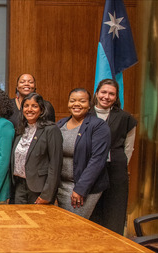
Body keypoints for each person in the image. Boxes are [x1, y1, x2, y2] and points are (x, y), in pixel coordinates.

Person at [89, 79, 137, 234]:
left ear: (116, 98)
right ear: (96, 93)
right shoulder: (85, 114)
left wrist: (119, 165)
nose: (106, 97)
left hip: (115, 173)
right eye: (103, 92)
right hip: (89, 172)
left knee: (114, 214)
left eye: (111, 94)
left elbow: (128, 148)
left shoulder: (125, 118)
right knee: (91, 214)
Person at [56, 88, 110, 219]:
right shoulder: (60, 124)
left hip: (82, 187)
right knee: (61, 225)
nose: (76, 104)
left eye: (82, 101)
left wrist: (80, 189)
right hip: (60, 186)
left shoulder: (98, 126)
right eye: (72, 100)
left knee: (75, 225)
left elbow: (97, 160)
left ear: (89, 104)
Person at [10, 93, 62, 204]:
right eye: (26, 106)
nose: (29, 109)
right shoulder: (20, 129)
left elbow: (55, 164)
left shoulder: (51, 130)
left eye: (34, 106)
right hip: (19, 186)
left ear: (41, 110)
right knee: (18, 219)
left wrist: (47, 194)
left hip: (39, 189)